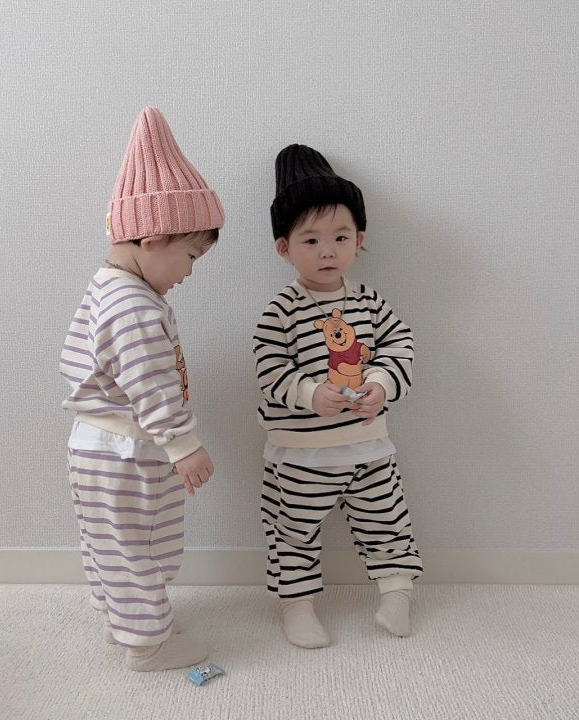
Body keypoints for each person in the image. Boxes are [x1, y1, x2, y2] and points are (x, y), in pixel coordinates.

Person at [60, 107, 224, 671]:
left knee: (114, 544)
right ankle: (148, 644)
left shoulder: (110, 289)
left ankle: (124, 621)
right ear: (153, 238)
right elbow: (150, 382)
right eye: (191, 255)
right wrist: (183, 444)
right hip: (126, 451)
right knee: (142, 544)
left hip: (100, 448)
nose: (190, 271)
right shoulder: (132, 306)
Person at [252, 144, 423, 648]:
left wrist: (382, 384)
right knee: (294, 531)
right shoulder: (280, 311)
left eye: (340, 237)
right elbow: (268, 368)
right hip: (302, 454)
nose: (327, 251)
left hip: (368, 447)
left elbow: (401, 344)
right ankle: (297, 605)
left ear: (359, 241)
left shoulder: (369, 302)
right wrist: (309, 393)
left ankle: (397, 594)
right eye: (311, 240)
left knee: (387, 519)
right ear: (284, 248)